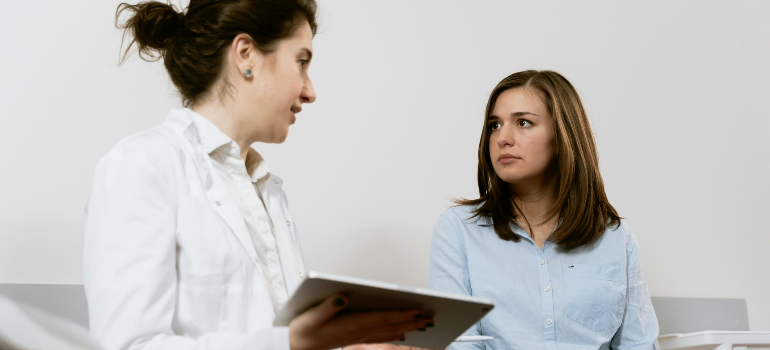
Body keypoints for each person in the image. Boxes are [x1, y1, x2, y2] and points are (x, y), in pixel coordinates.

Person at [83, 1, 434, 349]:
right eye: (301, 62)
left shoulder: (267, 191)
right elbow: (128, 346)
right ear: (246, 54)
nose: (310, 91)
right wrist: (292, 343)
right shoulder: (141, 165)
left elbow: (272, 334)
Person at [427, 70, 660, 349]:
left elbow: (638, 344)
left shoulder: (615, 237)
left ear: (563, 135)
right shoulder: (458, 230)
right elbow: (460, 345)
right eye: (494, 125)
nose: (503, 138)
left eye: (523, 122)